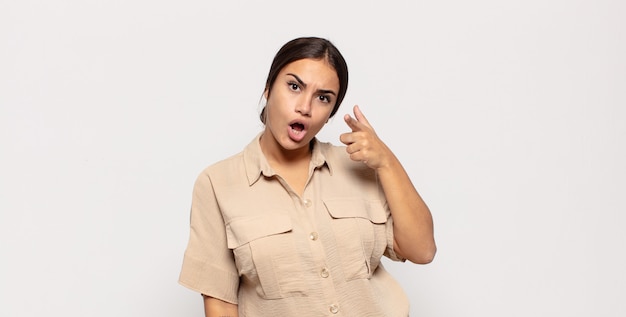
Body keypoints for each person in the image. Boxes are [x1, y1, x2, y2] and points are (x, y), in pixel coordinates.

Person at [179, 36, 436, 317]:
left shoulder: (360, 167)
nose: (305, 107)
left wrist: (387, 161)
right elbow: (220, 301)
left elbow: (422, 250)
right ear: (268, 88)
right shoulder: (218, 184)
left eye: (323, 97)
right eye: (294, 86)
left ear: (330, 114)